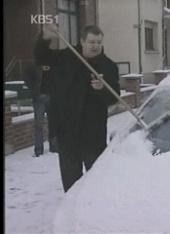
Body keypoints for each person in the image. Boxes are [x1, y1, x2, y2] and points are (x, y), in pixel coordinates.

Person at [34, 25, 120, 192]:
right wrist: (44, 37)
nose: (95, 46)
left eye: (98, 42)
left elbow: (113, 98)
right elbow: (41, 57)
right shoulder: (67, 56)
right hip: (66, 130)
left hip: (93, 133)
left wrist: (102, 88)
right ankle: (71, 212)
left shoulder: (108, 66)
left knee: (95, 180)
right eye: (91, 42)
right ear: (82, 41)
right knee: (70, 179)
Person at [23, 63, 58, 157]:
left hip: (52, 98)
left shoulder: (54, 64)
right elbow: (26, 77)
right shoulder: (34, 65)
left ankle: (54, 147)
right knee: (39, 125)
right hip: (39, 98)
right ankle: (38, 150)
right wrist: (33, 88)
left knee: (53, 124)